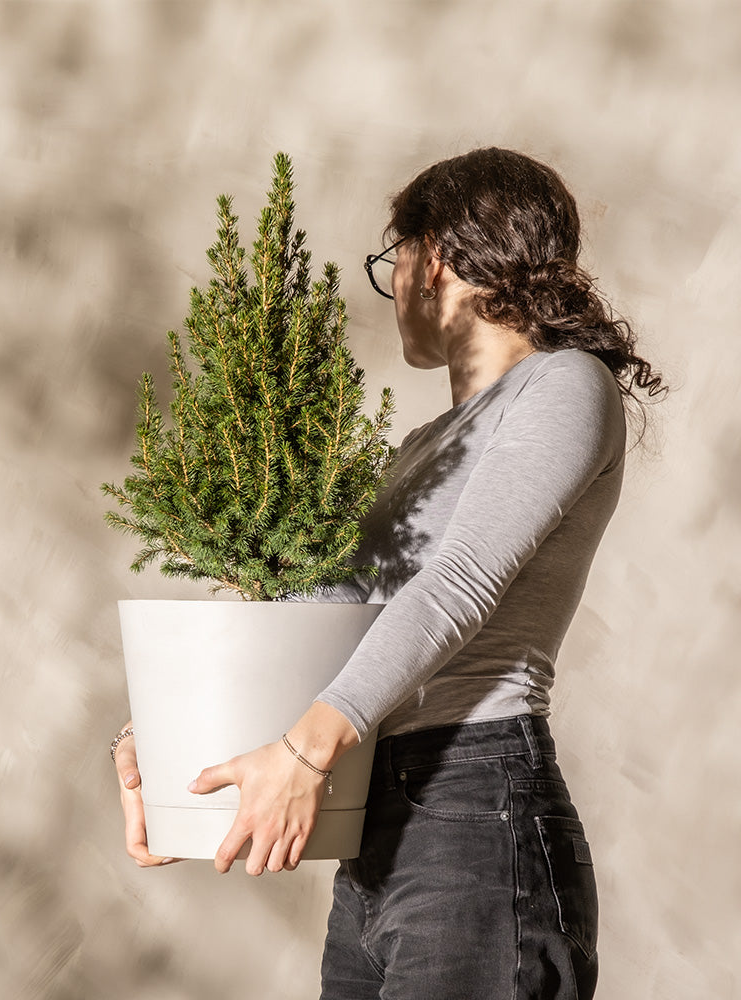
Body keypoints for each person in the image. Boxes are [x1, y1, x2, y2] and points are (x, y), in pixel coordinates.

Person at [112, 147, 663, 999]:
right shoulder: (418, 452)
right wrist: (160, 738)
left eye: (392, 261)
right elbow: (323, 608)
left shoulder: (564, 387)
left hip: (480, 810)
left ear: (432, 255)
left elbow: (461, 582)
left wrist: (306, 749)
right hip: (380, 828)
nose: (394, 285)